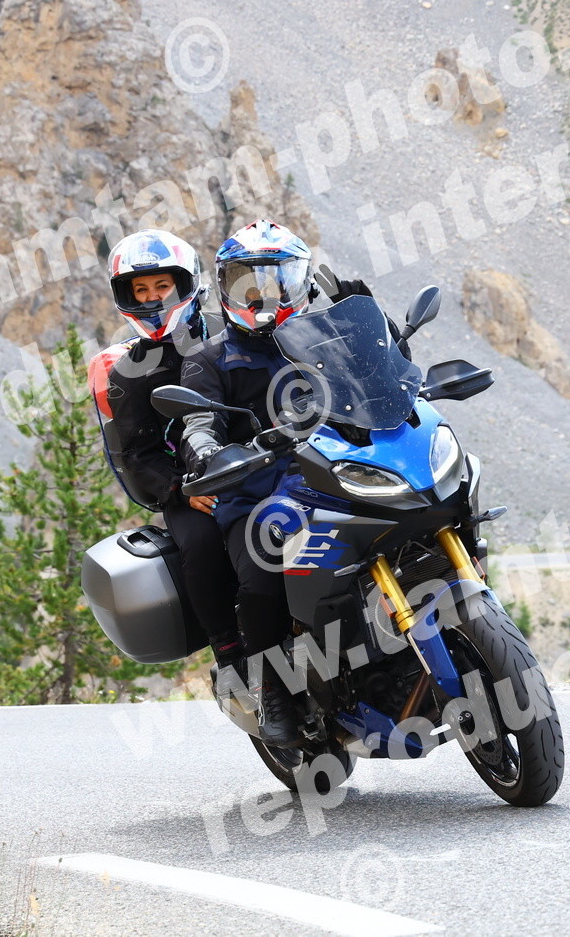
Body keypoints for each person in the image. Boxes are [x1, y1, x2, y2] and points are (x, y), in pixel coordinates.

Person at [179, 219, 374, 745]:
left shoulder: (322, 338)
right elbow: (198, 421)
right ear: (225, 286)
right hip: (254, 493)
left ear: (300, 281)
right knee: (263, 575)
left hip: (333, 476)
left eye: (278, 279)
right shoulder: (208, 359)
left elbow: (383, 377)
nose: (263, 294)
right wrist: (205, 450)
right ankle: (273, 692)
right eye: (247, 281)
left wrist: (368, 320)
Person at [87, 228, 242, 675]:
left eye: (162, 285)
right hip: (191, 487)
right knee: (201, 544)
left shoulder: (229, 331)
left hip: (257, 462)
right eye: (141, 290)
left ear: (185, 283)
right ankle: (230, 653)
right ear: (126, 296)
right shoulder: (127, 374)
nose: (153, 298)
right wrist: (182, 490)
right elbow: (138, 454)